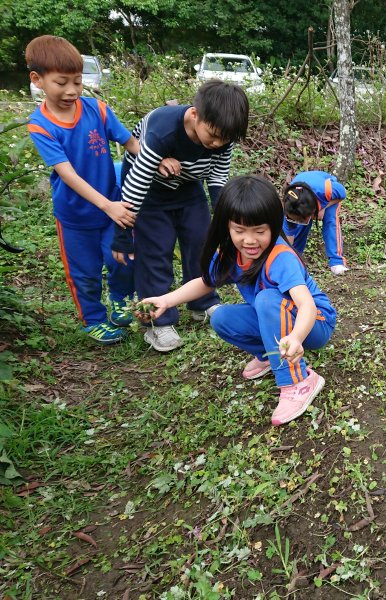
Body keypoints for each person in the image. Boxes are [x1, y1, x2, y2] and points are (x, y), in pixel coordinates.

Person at [140, 175, 336, 426]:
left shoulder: (281, 257)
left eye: (259, 231)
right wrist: (166, 301)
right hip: (279, 317)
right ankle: (270, 355)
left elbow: (306, 305)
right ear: (227, 227)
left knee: (267, 299)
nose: (249, 240)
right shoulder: (230, 253)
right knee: (221, 317)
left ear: (273, 225)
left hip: (315, 323)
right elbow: (205, 282)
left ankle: (298, 382)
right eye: (239, 231)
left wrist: (296, 338)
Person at [112, 80, 250, 353]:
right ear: (195, 115)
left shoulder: (223, 135)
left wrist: (225, 226)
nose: (218, 144)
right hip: (149, 190)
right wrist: (123, 234)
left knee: (202, 241)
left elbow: (217, 180)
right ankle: (157, 322)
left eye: (225, 139)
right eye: (213, 136)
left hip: (187, 185)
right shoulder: (163, 130)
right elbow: (135, 186)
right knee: (155, 251)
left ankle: (203, 301)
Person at [25, 35, 138, 345]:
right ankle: (93, 320)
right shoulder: (40, 125)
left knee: (122, 259)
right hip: (75, 216)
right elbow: (68, 174)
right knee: (84, 272)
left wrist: (158, 160)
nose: (72, 90)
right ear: (37, 80)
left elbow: (130, 143)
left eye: (77, 81)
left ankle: (120, 299)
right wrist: (108, 206)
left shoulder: (97, 110)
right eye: (61, 83)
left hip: (112, 207)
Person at [282, 171, 348, 274]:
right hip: (304, 201)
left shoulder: (326, 190)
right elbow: (288, 238)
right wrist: (285, 259)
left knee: (330, 220)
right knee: (300, 227)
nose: (295, 221)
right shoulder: (290, 205)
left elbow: (342, 193)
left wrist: (323, 207)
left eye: (300, 219)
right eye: (293, 219)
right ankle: (296, 260)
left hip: (328, 198)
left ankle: (337, 261)